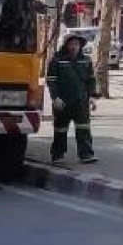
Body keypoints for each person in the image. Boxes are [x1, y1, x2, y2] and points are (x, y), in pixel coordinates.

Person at [46, 33, 99, 164]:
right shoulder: (57, 61)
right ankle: (57, 155)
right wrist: (55, 98)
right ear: (66, 45)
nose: (74, 47)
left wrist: (92, 97)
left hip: (81, 101)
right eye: (71, 44)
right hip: (62, 102)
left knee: (83, 128)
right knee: (60, 130)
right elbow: (51, 81)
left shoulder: (86, 60)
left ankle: (86, 154)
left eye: (76, 44)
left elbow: (91, 80)